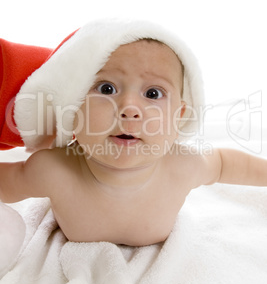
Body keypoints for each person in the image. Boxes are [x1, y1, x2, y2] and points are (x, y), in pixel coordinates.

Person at [0, 19, 267, 247]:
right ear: (72, 107)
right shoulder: (54, 170)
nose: (129, 109)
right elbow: (7, 181)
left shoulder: (183, 166)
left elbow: (224, 164)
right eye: (106, 89)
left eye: (153, 93)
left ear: (180, 116)